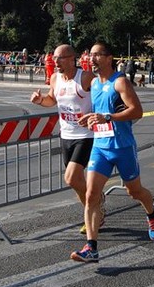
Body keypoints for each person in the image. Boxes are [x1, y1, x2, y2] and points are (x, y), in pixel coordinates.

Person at [71, 40, 154, 263]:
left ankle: (152, 213)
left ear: (109, 58)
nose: (91, 59)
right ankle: (91, 247)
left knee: (135, 191)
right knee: (92, 194)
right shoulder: (93, 84)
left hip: (122, 147)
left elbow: (137, 111)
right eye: (90, 55)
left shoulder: (119, 82)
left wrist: (108, 117)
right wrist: (90, 119)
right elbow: (99, 113)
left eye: (97, 55)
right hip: (100, 147)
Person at [30, 44, 104, 234]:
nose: (56, 62)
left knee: (70, 178)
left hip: (85, 136)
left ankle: (95, 203)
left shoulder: (85, 78)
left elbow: (101, 99)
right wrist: (40, 101)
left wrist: (95, 116)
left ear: (72, 59)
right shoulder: (55, 79)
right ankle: (95, 212)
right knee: (77, 181)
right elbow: (52, 100)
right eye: (54, 58)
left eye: (60, 58)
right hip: (66, 135)